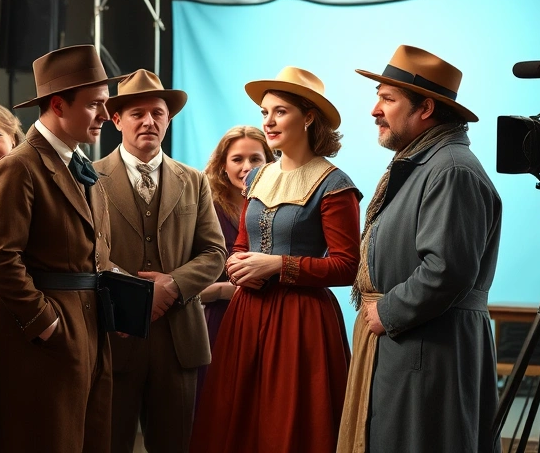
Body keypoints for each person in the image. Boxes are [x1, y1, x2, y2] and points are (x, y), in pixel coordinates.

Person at [337, 45, 501, 453]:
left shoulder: (451, 169)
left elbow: (447, 269)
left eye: (387, 99)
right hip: (412, 345)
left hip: (430, 350)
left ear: (425, 108)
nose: (375, 110)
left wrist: (388, 311)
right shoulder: (426, 163)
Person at [191, 66, 361, 453]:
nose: (268, 121)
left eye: (280, 111)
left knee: (287, 422)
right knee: (238, 422)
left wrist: (276, 266)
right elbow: (241, 244)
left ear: (309, 117)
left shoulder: (335, 184)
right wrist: (238, 267)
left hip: (301, 321)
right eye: (264, 112)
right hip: (247, 315)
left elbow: (347, 266)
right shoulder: (257, 177)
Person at [0, 44, 117, 453]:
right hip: (48, 333)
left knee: (90, 438)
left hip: (91, 325)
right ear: (58, 105)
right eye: (94, 104)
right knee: (49, 440)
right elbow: (0, 258)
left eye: (105, 103)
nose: (106, 115)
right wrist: (46, 323)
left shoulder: (79, 163)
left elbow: (95, 252)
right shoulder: (19, 165)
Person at [94, 69, 225, 453]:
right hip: (114, 336)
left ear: (168, 120)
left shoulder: (194, 180)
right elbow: (86, 253)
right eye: (137, 113)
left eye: (158, 113)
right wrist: (134, 298)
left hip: (178, 340)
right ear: (116, 120)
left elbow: (214, 252)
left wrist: (172, 284)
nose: (149, 121)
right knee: (108, 443)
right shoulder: (90, 178)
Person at [195, 125, 274, 402]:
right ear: (222, 165)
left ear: (270, 163)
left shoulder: (279, 208)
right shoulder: (204, 211)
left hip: (269, 322)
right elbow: (181, 284)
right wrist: (223, 290)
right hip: (220, 323)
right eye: (237, 159)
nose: (247, 167)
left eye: (255, 159)